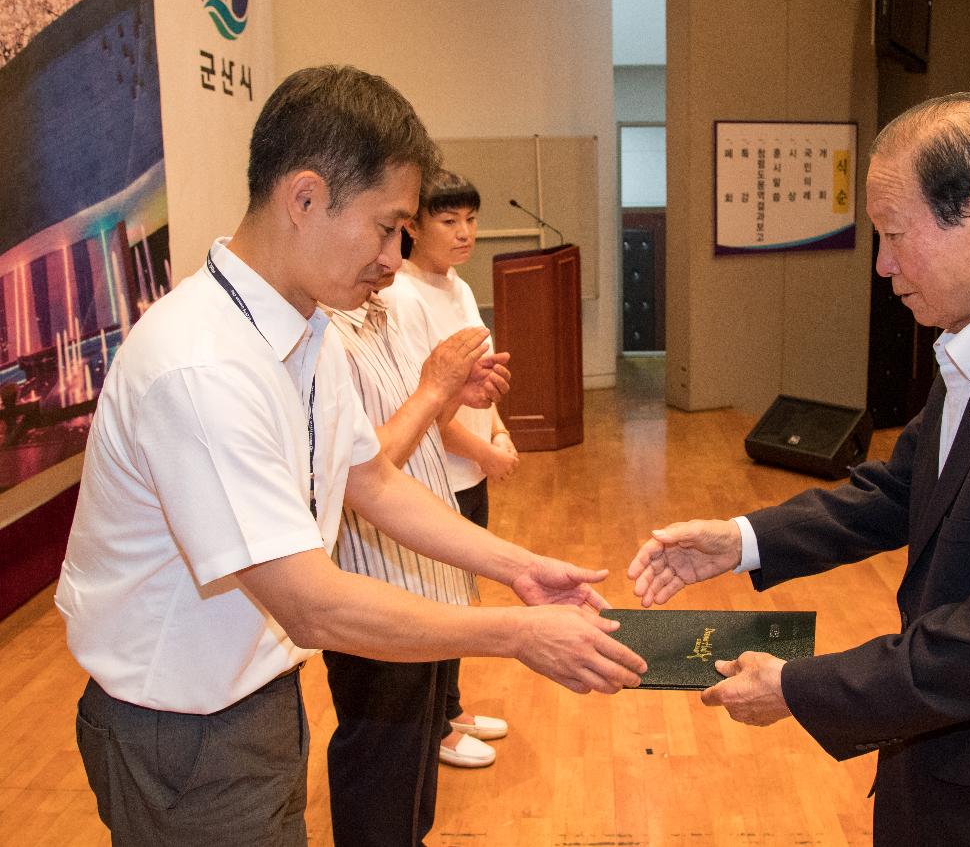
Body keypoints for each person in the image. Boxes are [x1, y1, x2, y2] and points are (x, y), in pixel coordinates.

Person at [55, 65, 645, 847]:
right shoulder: (200, 364)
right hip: (180, 729)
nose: (395, 258)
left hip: (251, 694)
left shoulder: (306, 332)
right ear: (303, 198)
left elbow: (370, 480)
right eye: (386, 226)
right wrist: (517, 634)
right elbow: (309, 600)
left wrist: (517, 567)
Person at [628, 93, 970, 847]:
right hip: (959, 767)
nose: (883, 265)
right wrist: (741, 539)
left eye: (894, 235)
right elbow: (899, 488)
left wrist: (795, 685)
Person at [322, 275, 506, 842]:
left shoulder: (380, 310)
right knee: (380, 753)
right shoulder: (315, 333)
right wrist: (433, 388)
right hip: (372, 579)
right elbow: (358, 476)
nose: (391, 257)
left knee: (412, 757)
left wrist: (454, 394)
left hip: (420, 567)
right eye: (384, 228)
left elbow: (411, 421)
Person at [381, 169, 517, 768]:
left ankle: (451, 707)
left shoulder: (458, 287)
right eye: (448, 220)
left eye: (471, 219)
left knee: (459, 597)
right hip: (436, 477)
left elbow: (477, 382)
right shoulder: (402, 297)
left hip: (472, 471)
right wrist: (484, 451)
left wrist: (501, 432)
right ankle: (433, 728)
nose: (465, 233)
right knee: (436, 605)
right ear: (412, 227)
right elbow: (426, 406)